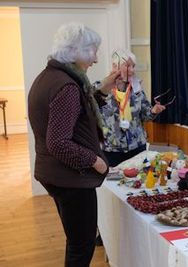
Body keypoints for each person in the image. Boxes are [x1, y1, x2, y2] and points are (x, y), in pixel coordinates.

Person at [28, 22, 120, 267]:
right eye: (92, 51)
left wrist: (103, 90)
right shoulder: (67, 86)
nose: (96, 59)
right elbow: (58, 143)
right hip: (71, 179)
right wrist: (95, 161)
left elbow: (79, 114)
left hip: (56, 175)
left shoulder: (50, 77)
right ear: (75, 50)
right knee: (82, 246)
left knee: (76, 239)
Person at [94, 49, 166, 167]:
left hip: (137, 147)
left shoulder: (136, 88)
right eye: (127, 66)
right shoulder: (100, 89)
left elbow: (145, 114)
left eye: (133, 66)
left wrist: (153, 111)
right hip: (111, 149)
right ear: (114, 66)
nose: (132, 70)